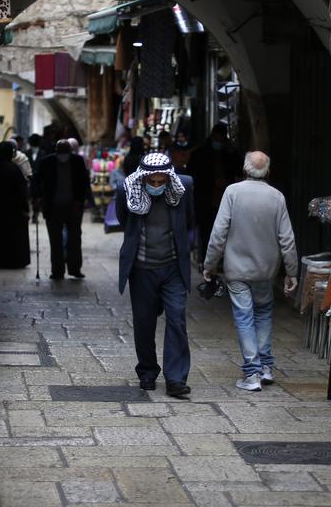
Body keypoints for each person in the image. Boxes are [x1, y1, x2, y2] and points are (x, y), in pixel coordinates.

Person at [202, 152, 298, 392]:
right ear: (268, 171)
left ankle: (252, 372)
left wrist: (209, 264)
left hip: (237, 270)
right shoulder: (277, 197)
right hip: (266, 270)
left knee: (244, 317)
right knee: (263, 313)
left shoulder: (232, 192)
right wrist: (292, 271)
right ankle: (265, 367)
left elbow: (218, 233)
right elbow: (287, 238)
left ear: (245, 170)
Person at [116, 152, 193, 399]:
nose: (157, 186)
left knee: (177, 319)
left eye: (162, 182)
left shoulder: (184, 187)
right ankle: (147, 372)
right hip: (141, 269)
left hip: (173, 267)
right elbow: (124, 220)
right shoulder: (126, 189)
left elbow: (189, 221)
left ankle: (176, 379)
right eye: (153, 182)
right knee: (144, 322)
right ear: (144, 178)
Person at [33, 140, 91, 280]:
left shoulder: (77, 161)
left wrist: (80, 201)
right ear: (56, 151)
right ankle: (57, 271)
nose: (63, 155)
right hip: (53, 207)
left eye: (66, 152)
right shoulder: (46, 162)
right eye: (61, 152)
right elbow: (36, 180)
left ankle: (75, 269)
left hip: (73, 207)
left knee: (74, 239)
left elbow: (84, 182)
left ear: (70, 152)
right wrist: (37, 198)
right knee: (55, 241)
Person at [188, 122, 243, 264]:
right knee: (206, 231)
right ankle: (206, 260)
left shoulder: (228, 154)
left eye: (221, 139)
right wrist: (212, 182)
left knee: (224, 231)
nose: (219, 142)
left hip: (224, 199)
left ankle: (220, 261)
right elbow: (193, 176)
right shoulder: (199, 154)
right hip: (205, 199)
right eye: (217, 139)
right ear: (212, 136)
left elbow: (238, 169)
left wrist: (233, 152)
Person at [0, 141, 31, 269]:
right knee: (14, 237)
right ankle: (14, 261)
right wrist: (25, 207)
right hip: (14, 209)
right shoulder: (13, 168)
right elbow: (21, 189)